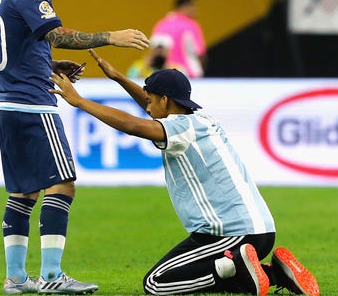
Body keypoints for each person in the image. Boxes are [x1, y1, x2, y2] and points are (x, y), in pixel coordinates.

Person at [50, 49, 320, 296]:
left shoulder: (180, 128)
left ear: (165, 100)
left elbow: (133, 125)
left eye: (152, 99)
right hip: (251, 229)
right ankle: (275, 273)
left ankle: (233, 266)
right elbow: (147, 105)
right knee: (172, 275)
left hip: (232, 232)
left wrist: (79, 101)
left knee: (156, 283)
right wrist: (119, 77)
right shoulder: (200, 120)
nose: (147, 105)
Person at [0, 0, 151, 294]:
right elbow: (57, 34)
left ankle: (15, 278)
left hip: (9, 101)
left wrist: (49, 66)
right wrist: (112, 37)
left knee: (24, 193)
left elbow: (17, 45)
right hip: (33, 105)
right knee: (63, 184)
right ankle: (51, 276)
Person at [151, 0, 207, 78]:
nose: (195, 9)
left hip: (164, 75)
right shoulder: (191, 25)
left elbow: (155, 53)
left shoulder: (161, 24)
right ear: (184, 7)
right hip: (189, 75)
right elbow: (200, 52)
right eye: (193, 6)